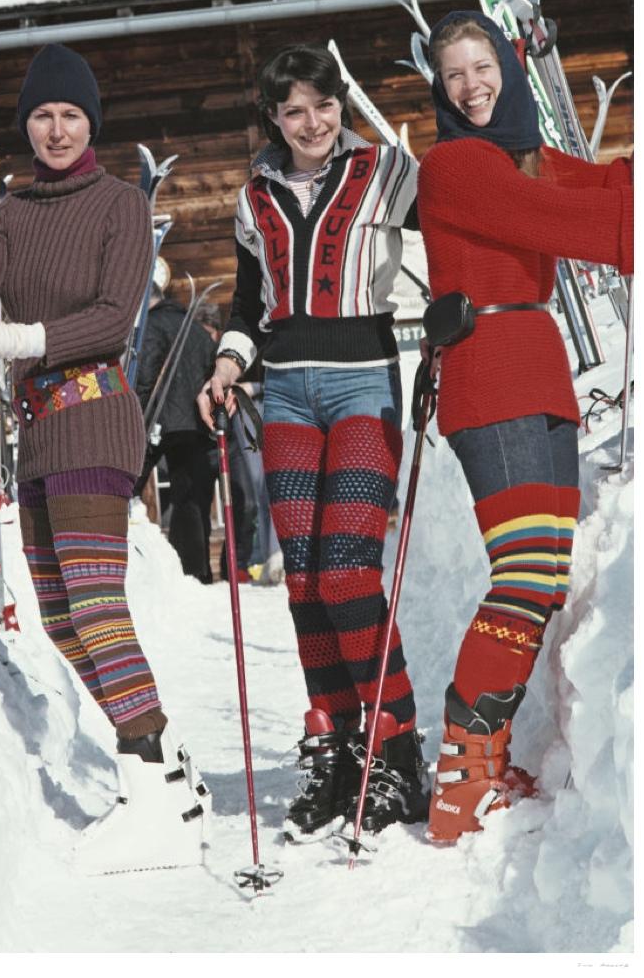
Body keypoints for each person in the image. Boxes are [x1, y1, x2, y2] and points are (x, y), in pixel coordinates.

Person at [0, 43, 209, 873]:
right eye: (42, 116)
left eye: (70, 115)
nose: (56, 130)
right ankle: (168, 771)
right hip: (38, 432)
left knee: (96, 607)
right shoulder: (12, 209)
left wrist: (15, 339)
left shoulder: (120, 204)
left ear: (91, 122)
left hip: (95, 419)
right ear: (26, 125)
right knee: (61, 618)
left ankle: (154, 791)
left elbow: (113, 318)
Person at [197, 43, 429, 842]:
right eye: (293, 110)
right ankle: (336, 746)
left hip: (364, 382)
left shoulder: (386, 172)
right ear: (272, 117)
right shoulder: (251, 197)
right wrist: (228, 364)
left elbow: (458, 223)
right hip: (287, 392)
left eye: (323, 105)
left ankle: (395, 745)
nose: (311, 123)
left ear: (340, 106)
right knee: (301, 579)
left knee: (345, 571)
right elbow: (248, 302)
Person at [417, 11, 633, 844]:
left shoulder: (520, 155)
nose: (470, 86)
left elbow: (597, 188)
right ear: (440, 90)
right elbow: (566, 221)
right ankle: (459, 776)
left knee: (541, 578)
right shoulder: (454, 164)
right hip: (487, 373)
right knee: (521, 574)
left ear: (507, 69)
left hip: (536, 369)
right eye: (453, 75)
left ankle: (483, 756)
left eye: (482, 67)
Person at [135, 264, 218, 584]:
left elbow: (145, 375)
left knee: (129, 488)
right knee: (193, 498)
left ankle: (149, 570)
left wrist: (136, 415)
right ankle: (197, 571)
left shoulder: (151, 326)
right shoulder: (194, 328)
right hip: (197, 423)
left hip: (160, 421)